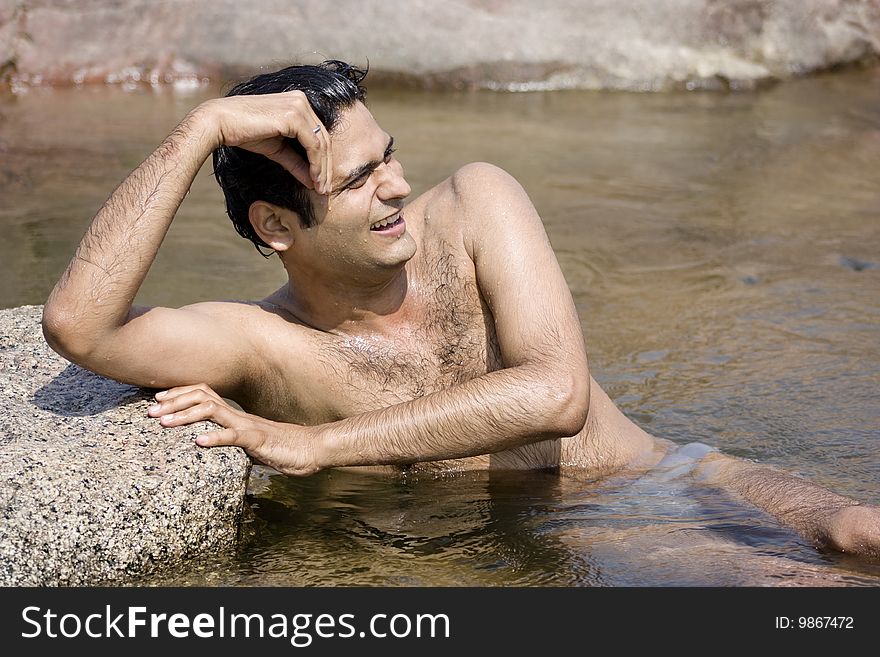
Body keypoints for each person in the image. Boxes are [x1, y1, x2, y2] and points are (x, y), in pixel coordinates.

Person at [41, 60, 879, 559]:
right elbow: (80, 326)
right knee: (802, 598)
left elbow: (556, 394)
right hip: (590, 533)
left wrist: (315, 443)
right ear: (274, 225)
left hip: (675, 474)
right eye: (359, 178)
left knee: (854, 531)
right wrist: (202, 126)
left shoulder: (478, 202)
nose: (398, 186)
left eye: (390, 156)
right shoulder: (267, 345)